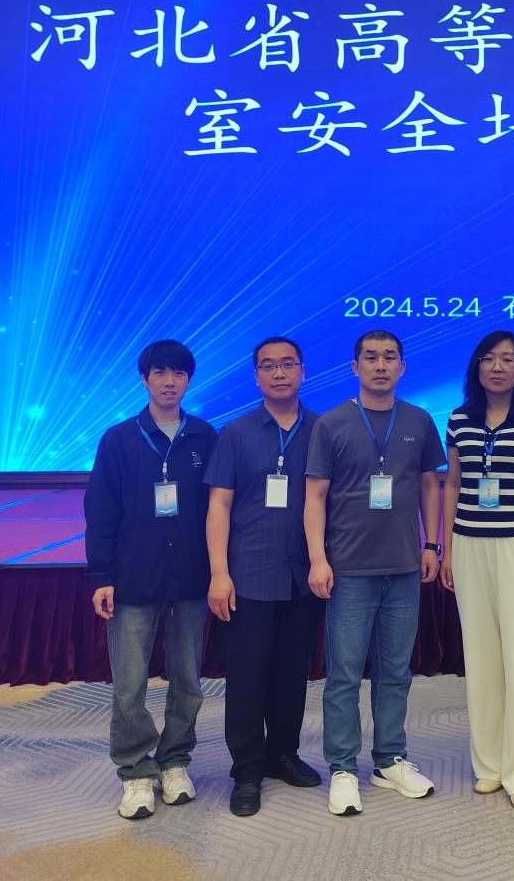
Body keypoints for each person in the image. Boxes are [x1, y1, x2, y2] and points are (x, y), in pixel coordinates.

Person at [304, 330, 445, 816]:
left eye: (389, 358)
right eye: (370, 357)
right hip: (348, 570)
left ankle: (389, 759)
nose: (380, 365)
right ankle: (343, 767)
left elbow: (429, 486)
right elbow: (315, 497)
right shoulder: (332, 423)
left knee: (395, 672)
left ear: (402, 367)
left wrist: (432, 543)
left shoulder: (419, 420)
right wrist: (318, 559)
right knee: (344, 675)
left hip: (404, 567)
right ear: (355, 367)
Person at [84, 340, 217, 820]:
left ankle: (175, 761)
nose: (168, 381)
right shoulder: (119, 439)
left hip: (191, 580)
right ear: (144, 379)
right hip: (133, 581)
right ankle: (136, 770)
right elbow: (101, 511)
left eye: (178, 373)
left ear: (188, 380)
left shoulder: (205, 437)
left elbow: (219, 510)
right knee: (129, 684)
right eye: (159, 372)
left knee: (188, 681)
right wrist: (102, 575)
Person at [439, 331, 514, 812]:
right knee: (482, 657)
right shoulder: (458, 419)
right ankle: (489, 765)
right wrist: (447, 549)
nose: (497, 367)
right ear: (477, 366)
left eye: (508, 359)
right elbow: (453, 484)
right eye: (488, 359)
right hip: (470, 546)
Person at [204, 337, 323, 817]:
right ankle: (248, 769)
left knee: (291, 675)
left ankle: (283, 755)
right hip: (249, 574)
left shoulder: (322, 430)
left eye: (288, 364)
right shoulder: (235, 433)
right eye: (268, 366)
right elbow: (219, 506)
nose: (279, 373)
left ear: (302, 371)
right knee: (248, 677)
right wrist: (219, 572)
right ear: (256, 376)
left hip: (303, 576)